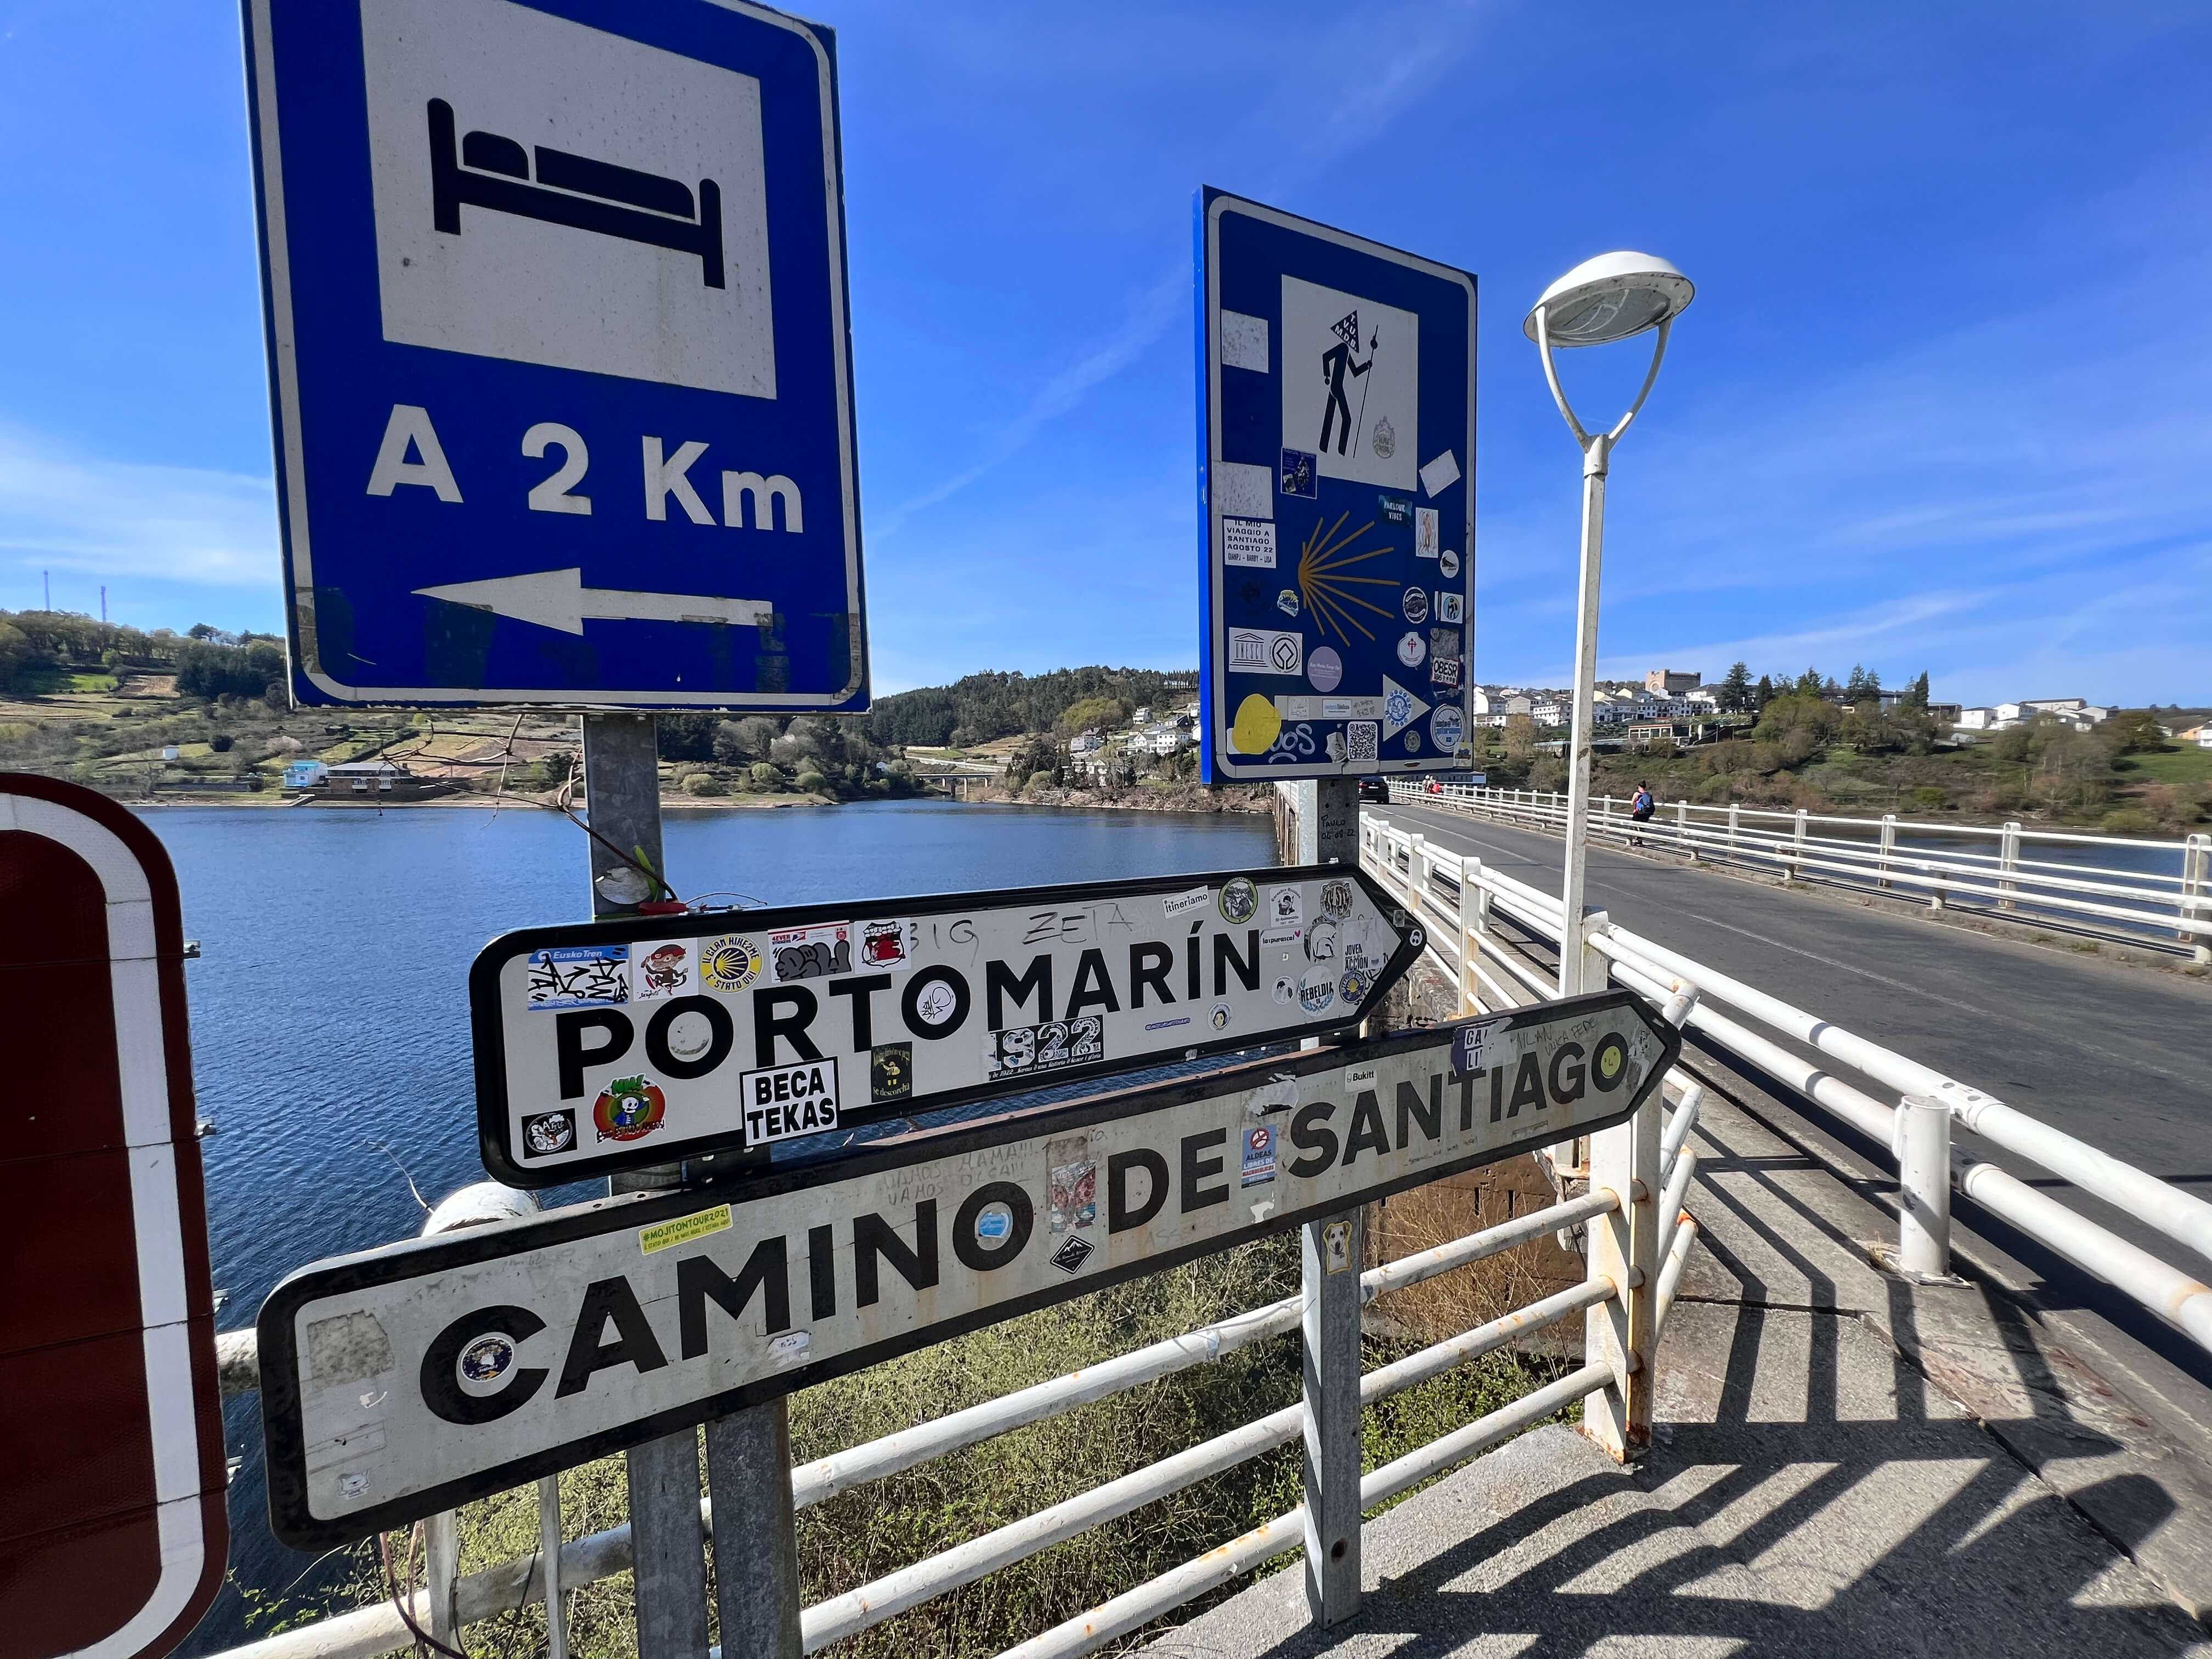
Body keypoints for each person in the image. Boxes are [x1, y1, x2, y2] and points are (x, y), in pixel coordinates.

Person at [1629, 781, 1656, 846]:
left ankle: (1637, 840)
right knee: (1642, 827)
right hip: (1647, 813)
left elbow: (1632, 803)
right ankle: (1640, 840)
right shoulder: (1648, 794)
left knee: (1634, 825)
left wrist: (1635, 800)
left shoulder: (1637, 793)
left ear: (1639, 787)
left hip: (1638, 813)